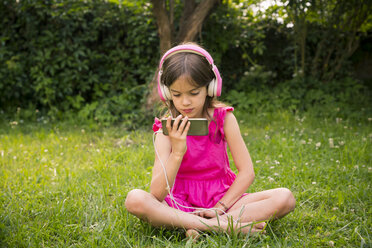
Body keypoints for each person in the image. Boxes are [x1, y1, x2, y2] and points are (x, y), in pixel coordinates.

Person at [125, 43, 296, 239]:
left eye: (194, 92)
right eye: (177, 94)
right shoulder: (165, 129)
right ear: (166, 92)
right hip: (178, 202)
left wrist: (220, 208)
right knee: (135, 199)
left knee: (285, 197)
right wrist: (178, 152)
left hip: (222, 200)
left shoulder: (225, 119)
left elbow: (247, 172)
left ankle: (200, 225)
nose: (185, 102)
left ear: (211, 87)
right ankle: (224, 227)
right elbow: (156, 193)